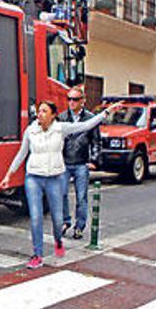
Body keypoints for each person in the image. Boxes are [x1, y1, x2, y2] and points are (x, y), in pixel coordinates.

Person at [0, 100, 122, 269]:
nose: (39, 114)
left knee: (58, 219)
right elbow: (21, 154)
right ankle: (37, 255)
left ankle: (58, 241)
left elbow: (86, 125)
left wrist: (106, 112)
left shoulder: (61, 128)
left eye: (43, 111)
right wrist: (8, 175)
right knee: (35, 217)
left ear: (53, 115)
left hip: (55, 177)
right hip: (33, 177)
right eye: (38, 111)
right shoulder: (30, 131)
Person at [58, 87, 101, 240]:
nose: (71, 102)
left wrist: (93, 160)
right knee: (61, 193)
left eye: (75, 99)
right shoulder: (61, 117)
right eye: (69, 99)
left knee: (81, 197)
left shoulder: (90, 118)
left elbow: (96, 141)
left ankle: (79, 226)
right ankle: (65, 222)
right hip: (64, 162)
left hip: (82, 163)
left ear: (82, 101)